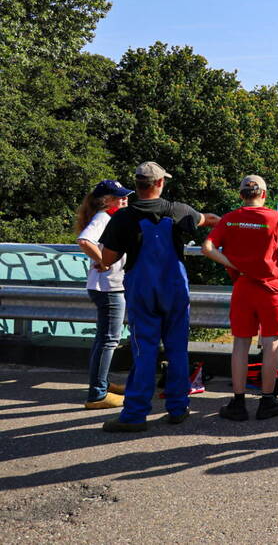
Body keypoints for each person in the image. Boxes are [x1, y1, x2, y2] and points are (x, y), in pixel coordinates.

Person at [97, 162, 220, 432]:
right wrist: (228, 225)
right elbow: (207, 219)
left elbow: (108, 258)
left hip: (142, 289)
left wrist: (105, 260)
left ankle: (135, 415)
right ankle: (178, 408)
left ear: (138, 185)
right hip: (175, 287)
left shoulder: (123, 217)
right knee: (177, 349)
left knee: (144, 350)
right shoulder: (178, 210)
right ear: (160, 183)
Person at [201, 175, 278, 422]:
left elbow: (207, 248)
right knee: (271, 344)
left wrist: (232, 263)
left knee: (241, 345)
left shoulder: (230, 219)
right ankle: (267, 401)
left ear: (241, 194)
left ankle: (238, 403)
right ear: (263, 194)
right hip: (272, 289)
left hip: (243, 287)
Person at [75, 179, 133, 409]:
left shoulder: (111, 217)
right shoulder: (103, 217)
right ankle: (97, 394)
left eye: (125, 195)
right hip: (108, 288)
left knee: (103, 340)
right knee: (109, 341)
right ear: (106, 200)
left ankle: (102, 384)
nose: (125, 198)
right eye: (120, 196)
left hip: (106, 286)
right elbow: (84, 240)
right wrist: (103, 261)